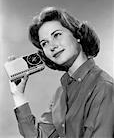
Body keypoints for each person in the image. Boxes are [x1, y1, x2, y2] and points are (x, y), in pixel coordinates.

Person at [9, 7, 114, 138]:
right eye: (44, 43)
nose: (52, 46)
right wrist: (18, 95)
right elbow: (39, 136)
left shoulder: (103, 87)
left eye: (57, 35)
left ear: (77, 35)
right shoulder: (61, 92)